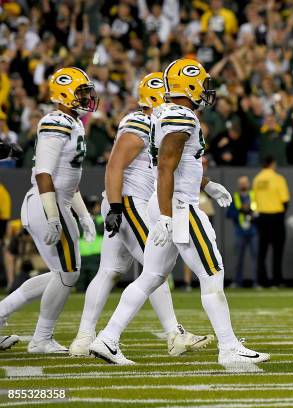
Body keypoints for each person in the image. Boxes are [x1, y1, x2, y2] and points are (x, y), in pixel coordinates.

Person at [89, 58, 268, 365]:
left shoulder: (163, 112)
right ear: (189, 85)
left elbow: (177, 166)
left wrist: (207, 185)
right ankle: (228, 347)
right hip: (179, 207)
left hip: (167, 203)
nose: (206, 90)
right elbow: (166, 168)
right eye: (202, 83)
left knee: (151, 276)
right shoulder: (181, 116)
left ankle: (107, 338)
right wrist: (168, 216)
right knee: (212, 273)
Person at [69, 72, 211, 358]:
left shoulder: (154, 123)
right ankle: (173, 334)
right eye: (167, 96)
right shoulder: (141, 121)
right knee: (154, 268)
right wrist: (117, 206)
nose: (171, 102)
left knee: (109, 270)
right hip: (130, 202)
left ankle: (84, 338)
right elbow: (114, 165)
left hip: (128, 202)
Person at [0, 67, 98, 353]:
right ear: (65, 92)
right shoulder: (56, 120)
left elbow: (69, 182)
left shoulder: (72, 122)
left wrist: (83, 216)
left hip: (55, 200)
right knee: (69, 273)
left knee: (61, 272)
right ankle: (42, 338)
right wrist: (54, 215)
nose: (87, 97)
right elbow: (44, 173)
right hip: (47, 201)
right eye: (81, 91)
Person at [253, 157, 290, 287]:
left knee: (262, 251)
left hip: (262, 217)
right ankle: (277, 280)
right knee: (277, 250)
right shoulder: (278, 179)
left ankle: (262, 280)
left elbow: (255, 200)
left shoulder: (257, 180)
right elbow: (285, 200)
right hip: (276, 217)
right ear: (272, 164)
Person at [226, 176, 258, 288]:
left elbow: (259, 212)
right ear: (239, 185)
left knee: (255, 257)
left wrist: (251, 212)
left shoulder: (253, 196)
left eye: (245, 183)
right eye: (241, 183)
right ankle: (237, 281)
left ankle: (256, 282)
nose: (243, 185)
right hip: (240, 231)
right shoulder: (235, 197)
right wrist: (240, 210)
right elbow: (229, 214)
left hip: (253, 230)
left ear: (248, 184)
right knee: (238, 258)